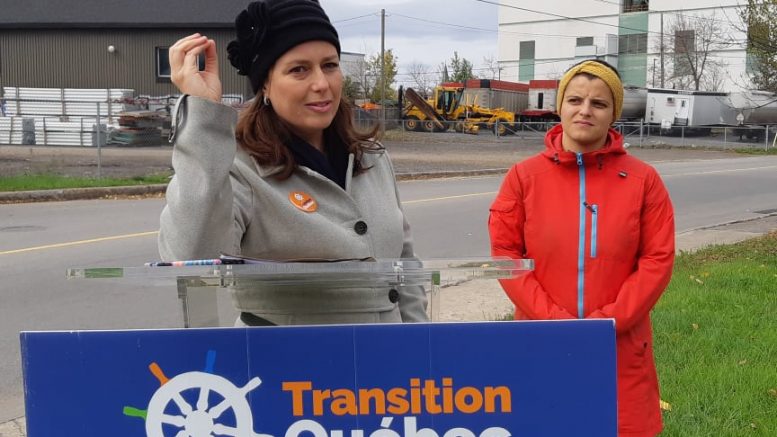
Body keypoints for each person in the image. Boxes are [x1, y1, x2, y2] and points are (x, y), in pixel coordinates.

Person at [158, 0, 427, 326]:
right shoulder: (240, 169)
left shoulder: (372, 158)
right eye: (299, 69)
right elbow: (189, 256)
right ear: (266, 85)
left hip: (383, 370)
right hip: (286, 368)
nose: (322, 84)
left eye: (329, 65)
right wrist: (202, 116)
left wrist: (420, 349)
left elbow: (404, 264)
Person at [488, 60, 675, 437]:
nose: (585, 110)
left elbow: (657, 259)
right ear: (560, 106)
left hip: (619, 347)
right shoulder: (523, 178)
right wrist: (553, 320)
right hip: (541, 341)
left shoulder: (644, 181)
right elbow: (505, 256)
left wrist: (607, 322)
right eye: (575, 99)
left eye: (599, 103)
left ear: (614, 114)